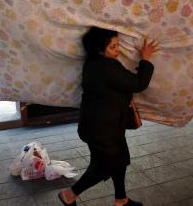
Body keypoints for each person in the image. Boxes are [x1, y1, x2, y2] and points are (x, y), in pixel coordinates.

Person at [58, 27, 159, 206]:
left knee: (120, 161)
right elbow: (137, 83)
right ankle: (69, 194)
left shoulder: (93, 63)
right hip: (102, 130)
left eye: (118, 45)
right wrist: (145, 58)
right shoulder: (106, 67)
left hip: (105, 127)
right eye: (113, 47)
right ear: (100, 49)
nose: (118, 50)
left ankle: (121, 200)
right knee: (102, 168)